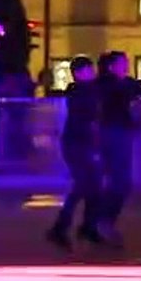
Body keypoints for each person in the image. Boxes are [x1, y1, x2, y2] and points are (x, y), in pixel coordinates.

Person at [93, 51, 141, 248]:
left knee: (121, 181)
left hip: (122, 133)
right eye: (122, 63)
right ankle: (102, 221)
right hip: (111, 134)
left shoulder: (126, 83)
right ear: (111, 66)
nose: (126, 66)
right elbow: (123, 93)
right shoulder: (106, 84)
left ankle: (103, 221)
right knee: (118, 180)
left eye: (126, 62)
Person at [45, 55, 101, 249]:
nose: (92, 73)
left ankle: (86, 227)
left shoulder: (86, 91)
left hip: (81, 143)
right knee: (83, 185)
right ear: (79, 73)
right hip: (77, 144)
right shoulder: (80, 92)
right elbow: (87, 119)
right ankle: (61, 228)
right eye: (88, 70)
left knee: (92, 185)